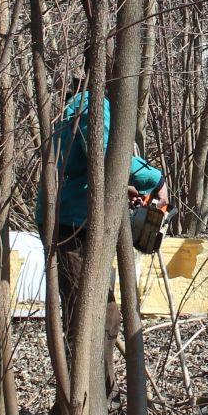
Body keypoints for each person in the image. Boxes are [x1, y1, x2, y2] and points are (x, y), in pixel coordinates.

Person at [41, 87, 166, 348]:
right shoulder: (91, 104)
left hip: (81, 219)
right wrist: (155, 179)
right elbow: (107, 154)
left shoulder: (85, 103)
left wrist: (124, 187)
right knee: (84, 317)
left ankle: (103, 387)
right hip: (69, 223)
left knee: (106, 314)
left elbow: (89, 165)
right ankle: (85, 387)